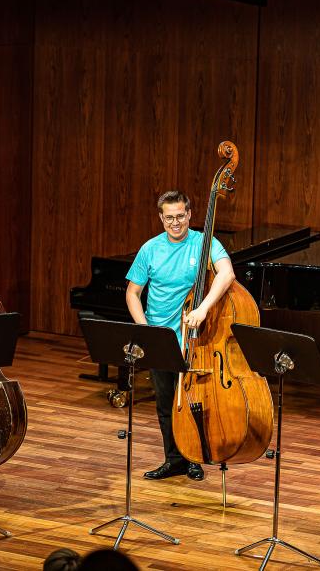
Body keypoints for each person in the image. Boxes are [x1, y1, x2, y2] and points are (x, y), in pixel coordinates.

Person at [125, 190, 236, 481]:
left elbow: (226, 274)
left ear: (189, 215)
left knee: (192, 402)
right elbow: (133, 293)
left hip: (195, 339)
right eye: (169, 218)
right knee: (165, 402)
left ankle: (194, 459)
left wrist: (203, 308)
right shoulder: (150, 249)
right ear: (161, 219)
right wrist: (145, 329)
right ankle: (173, 459)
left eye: (180, 216)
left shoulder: (204, 242)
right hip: (161, 338)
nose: (175, 223)